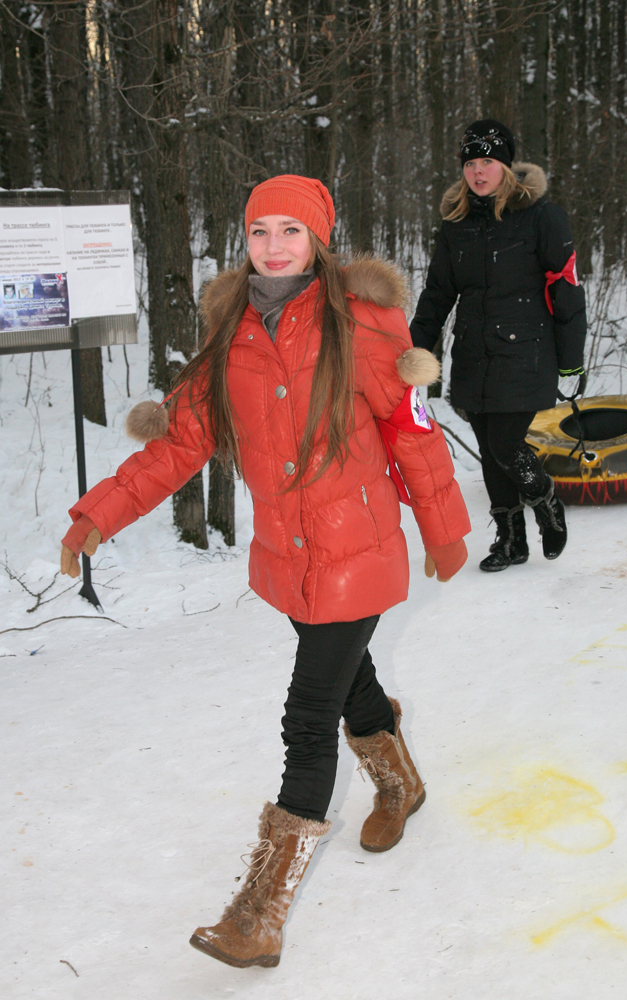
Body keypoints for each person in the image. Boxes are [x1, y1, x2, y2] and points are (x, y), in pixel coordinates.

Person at [59, 175, 471, 969]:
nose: (274, 247)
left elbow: (410, 427)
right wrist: (98, 514)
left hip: (358, 551)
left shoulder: (361, 320)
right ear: (243, 240)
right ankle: (399, 784)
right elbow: (180, 441)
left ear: (317, 239)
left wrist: (442, 528)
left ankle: (259, 915)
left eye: (291, 230)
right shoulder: (231, 333)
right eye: (259, 231)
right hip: (287, 558)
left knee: (306, 716)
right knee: (347, 677)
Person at [410, 119, 587, 572]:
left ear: (506, 166)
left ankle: (546, 502)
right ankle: (511, 540)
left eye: (487, 161)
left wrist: (571, 361)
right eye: (470, 163)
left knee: (506, 443)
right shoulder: (456, 225)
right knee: (490, 450)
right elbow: (437, 294)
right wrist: (415, 351)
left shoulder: (542, 217)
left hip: (526, 353)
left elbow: (566, 289)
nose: (478, 171)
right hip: (473, 354)